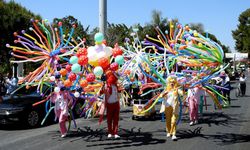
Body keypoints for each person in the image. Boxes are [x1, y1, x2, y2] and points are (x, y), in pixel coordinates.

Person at [162, 76, 184, 141]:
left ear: (175, 83)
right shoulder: (166, 89)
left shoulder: (177, 89)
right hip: (167, 107)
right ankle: (169, 132)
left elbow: (182, 94)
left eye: (173, 82)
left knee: (173, 121)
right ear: (169, 83)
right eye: (171, 82)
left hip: (174, 108)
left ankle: (174, 134)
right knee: (168, 121)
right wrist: (164, 94)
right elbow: (161, 95)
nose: (172, 83)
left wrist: (183, 88)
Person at [101, 71, 121, 139]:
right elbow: (102, 92)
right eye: (115, 78)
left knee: (116, 119)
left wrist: (120, 91)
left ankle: (115, 133)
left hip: (116, 103)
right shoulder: (107, 85)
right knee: (109, 119)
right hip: (110, 104)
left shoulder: (116, 85)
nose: (116, 79)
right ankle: (110, 132)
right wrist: (103, 86)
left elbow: (118, 94)